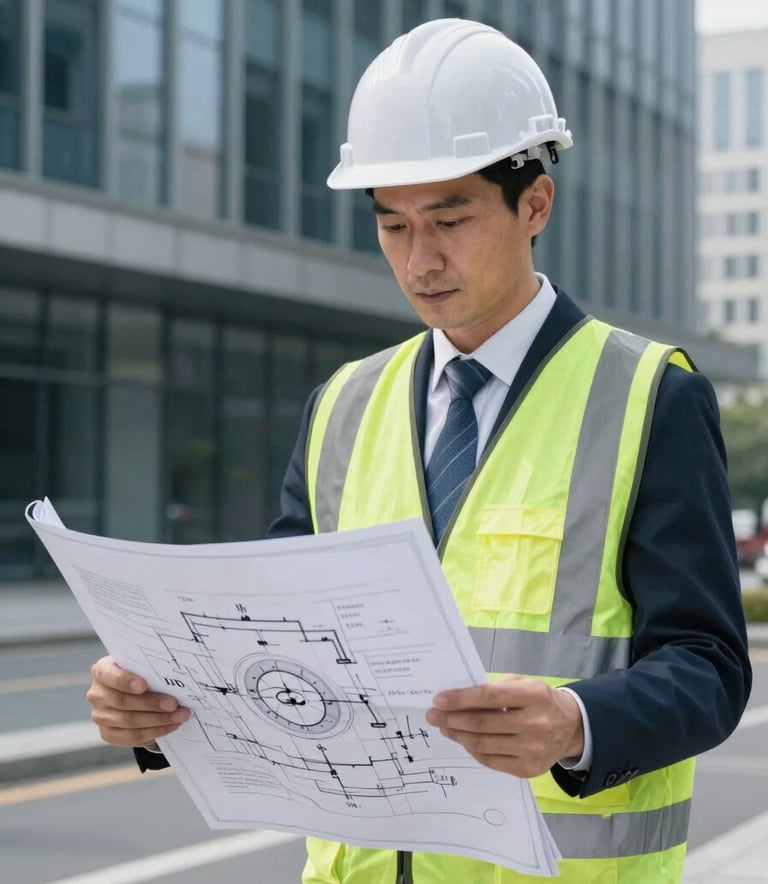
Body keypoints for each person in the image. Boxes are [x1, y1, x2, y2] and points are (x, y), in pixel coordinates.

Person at [86, 18, 751, 884]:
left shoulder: (650, 397)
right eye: (393, 226)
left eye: (450, 218)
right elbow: (270, 644)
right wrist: (160, 699)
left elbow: (709, 666)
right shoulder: (343, 406)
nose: (421, 258)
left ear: (534, 204)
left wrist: (577, 721)